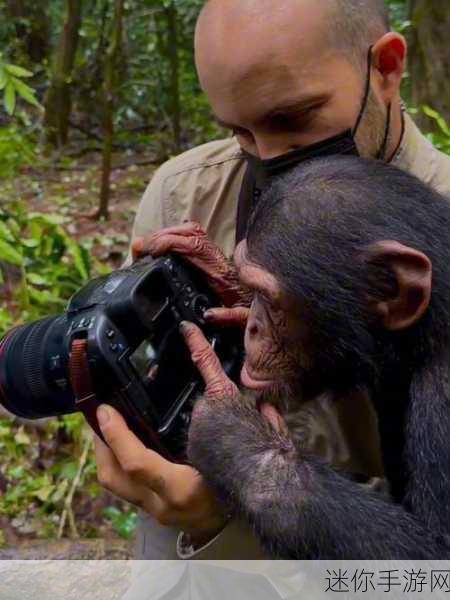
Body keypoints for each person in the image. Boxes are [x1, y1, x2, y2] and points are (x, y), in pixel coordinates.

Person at [94, 0, 450, 560]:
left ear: (385, 67)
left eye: (294, 118)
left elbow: (428, 578)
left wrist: (257, 470)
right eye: (239, 132)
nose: (268, 156)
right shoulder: (187, 193)